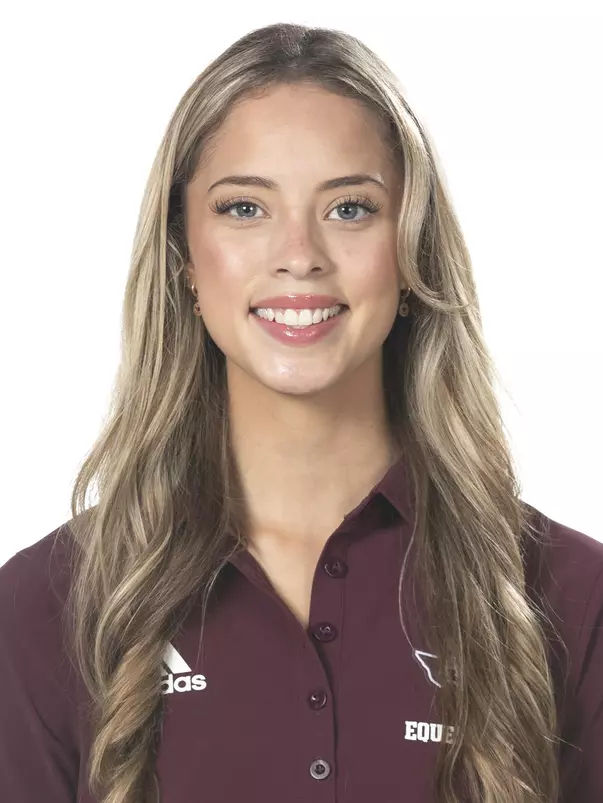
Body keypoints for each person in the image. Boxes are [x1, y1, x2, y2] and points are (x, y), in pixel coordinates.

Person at [0, 21, 601, 803]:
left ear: (411, 249)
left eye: (349, 208)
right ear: (183, 256)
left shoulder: (566, 595)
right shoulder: (45, 606)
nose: (299, 254)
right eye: (244, 208)